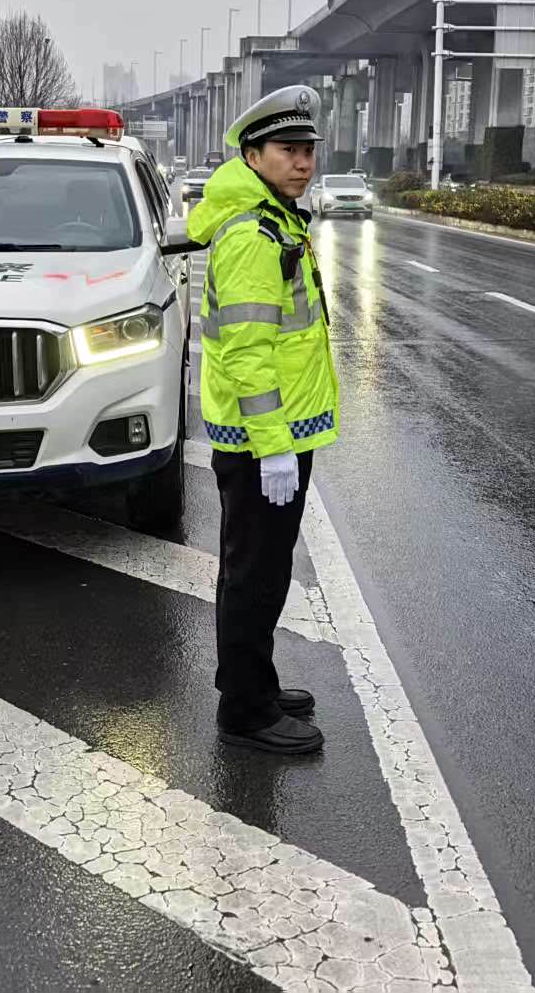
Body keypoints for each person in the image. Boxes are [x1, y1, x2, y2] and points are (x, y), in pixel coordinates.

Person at [187, 86, 340, 755]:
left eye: (308, 150)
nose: (302, 162)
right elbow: (247, 354)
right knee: (254, 572)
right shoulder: (253, 235)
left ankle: (255, 682)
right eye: (286, 150)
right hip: (262, 441)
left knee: (263, 568)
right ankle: (245, 711)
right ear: (252, 156)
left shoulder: (276, 219)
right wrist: (274, 447)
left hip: (276, 433)